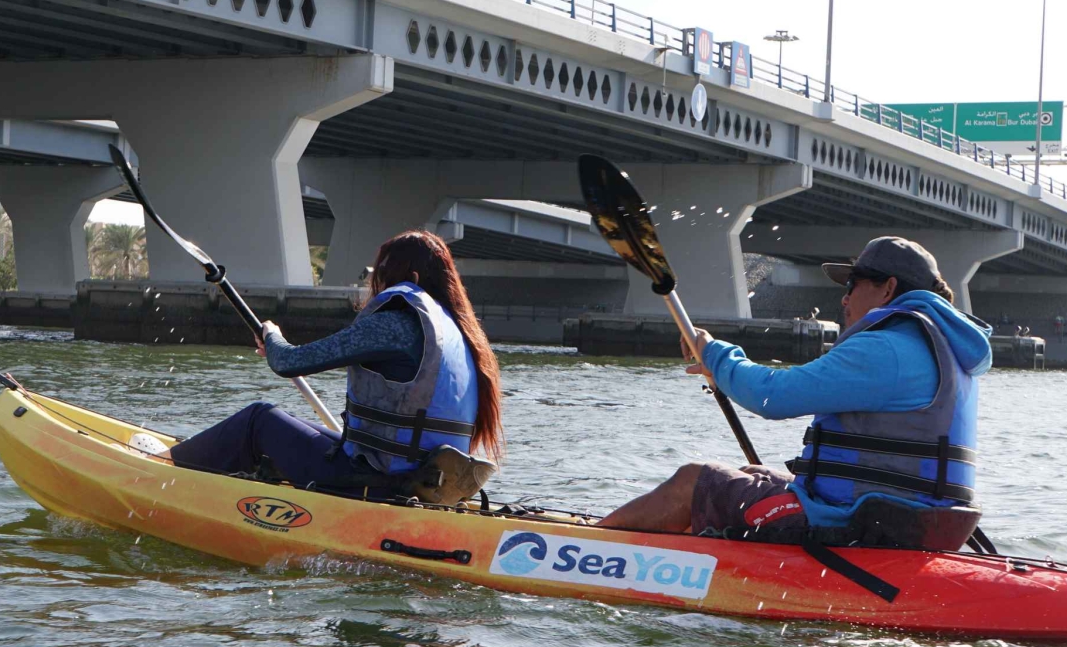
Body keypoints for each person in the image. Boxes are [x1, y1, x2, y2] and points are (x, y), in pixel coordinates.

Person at [599, 236, 992, 547]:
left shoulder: (887, 346)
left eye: (853, 285)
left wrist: (714, 354)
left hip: (856, 524)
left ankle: (590, 547)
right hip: (916, 522)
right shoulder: (948, 349)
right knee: (752, 474)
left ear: (888, 288)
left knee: (693, 480)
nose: (844, 297)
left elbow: (774, 396)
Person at [168, 230, 504, 499]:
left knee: (259, 420)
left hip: (377, 482)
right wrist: (276, 349)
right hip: (422, 481)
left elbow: (288, 361)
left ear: (409, 276)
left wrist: (272, 337)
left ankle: (163, 474)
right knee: (298, 429)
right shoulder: (459, 331)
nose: (377, 283)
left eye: (383, 273)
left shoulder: (396, 321)